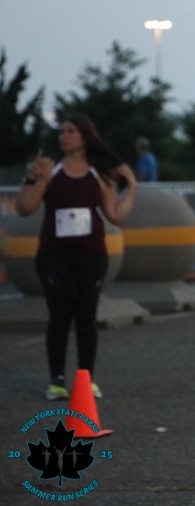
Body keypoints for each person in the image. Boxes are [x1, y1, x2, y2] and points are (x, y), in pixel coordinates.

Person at [15, 115, 138, 400]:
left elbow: (116, 215)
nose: (64, 136)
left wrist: (132, 186)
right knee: (59, 315)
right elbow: (24, 208)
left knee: (86, 316)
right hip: (54, 256)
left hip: (90, 255)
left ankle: (86, 379)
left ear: (84, 136)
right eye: (62, 132)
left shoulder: (99, 174)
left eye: (71, 131)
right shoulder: (50, 170)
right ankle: (56, 380)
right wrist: (32, 178)